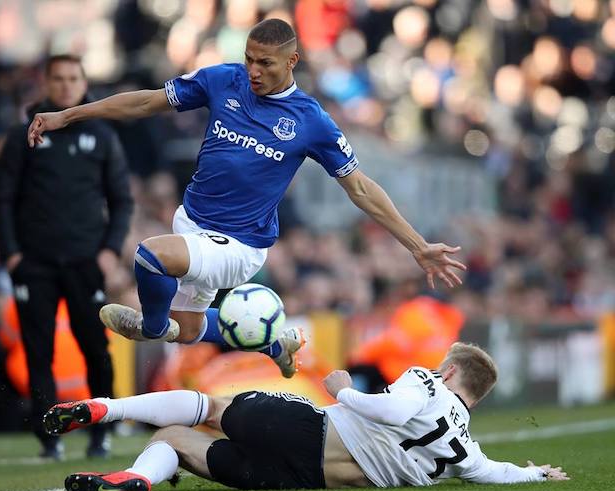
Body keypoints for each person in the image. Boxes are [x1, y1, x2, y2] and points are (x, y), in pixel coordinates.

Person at [27, 19, 466, 379]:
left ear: (292, 61)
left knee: (150, 257)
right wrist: (70, 114)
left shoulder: (311, 121)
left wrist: (418, 246)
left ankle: (150, 326)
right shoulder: (223, 80)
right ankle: (274, 341)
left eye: (266, 63)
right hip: (192, 222)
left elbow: (361, 188)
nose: (254, 71)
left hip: (239, 244)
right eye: (250, 60)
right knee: (191, 329)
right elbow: (146, 103)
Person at [43, 342, 568, 491]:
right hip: (304, 481)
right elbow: (491, 471)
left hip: (312, 430)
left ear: (450, 370)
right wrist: (535, 472)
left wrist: (348, 392)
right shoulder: (464, 451)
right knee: (178, 442)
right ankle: (138, 476)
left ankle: (105, 409)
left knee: (210, 407)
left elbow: (396, 407)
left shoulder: (426, 382)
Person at [0, 54, 133, 459]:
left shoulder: (103, 136)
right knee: (39, 351)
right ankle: (49, 437)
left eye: (74, 78)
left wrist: (109, 251)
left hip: (87, 261)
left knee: (95, 347)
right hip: (34, 262)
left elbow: (121, 200)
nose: (67, 85)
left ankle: (101, 430)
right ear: (46, 83)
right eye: (59, 78)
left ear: (84, 83)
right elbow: (2, 198)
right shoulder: (23, 135)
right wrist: (12, 254)